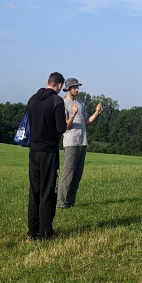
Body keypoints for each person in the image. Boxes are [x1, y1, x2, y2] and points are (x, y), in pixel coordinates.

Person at [26, 72, 67, 242]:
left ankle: (31, 232)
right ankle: (44, 233)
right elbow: (61, 128)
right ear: (59, 85)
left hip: (34, 151)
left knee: (34, 191)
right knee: (48, 191)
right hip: (49, 152)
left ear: (48, 82)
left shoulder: (32, 99)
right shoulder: (57, 101)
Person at [58, 77, 102, 209]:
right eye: (75, 87)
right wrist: (72, 115)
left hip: (82, 142)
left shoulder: (81, 103)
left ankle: (71, 202)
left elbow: (85, 122)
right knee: (68, 174)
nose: (77, 89)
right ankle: (61, 203)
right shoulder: (63, 104)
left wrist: (96, 112)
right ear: (68, 88)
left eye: (78, 87)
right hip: (71, 143)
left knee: (77, 175)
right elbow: (65, 126)